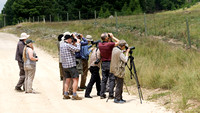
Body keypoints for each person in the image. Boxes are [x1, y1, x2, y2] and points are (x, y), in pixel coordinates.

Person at [60, 34, 82, 100]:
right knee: (76, 79)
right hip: (71, 65)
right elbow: (77, 49)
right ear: (69, 39)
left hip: (65, 66)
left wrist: (73, 43)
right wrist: (78, 43)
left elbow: (71, 49)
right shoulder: (68, 45)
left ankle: (66, 94)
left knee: (67, 79)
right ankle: (74, 94)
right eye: (71, 39)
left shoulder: (62, 45)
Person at [98, 33, 119, 99]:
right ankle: (111, 94)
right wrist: (112, 37)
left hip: (103, 63)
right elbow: (119, 42)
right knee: (112, 79)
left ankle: (102, 94)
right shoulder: (109, 44)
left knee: (104, 79)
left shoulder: (100, 44)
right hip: (110, 63)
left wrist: (108, 38)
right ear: (106, 38)